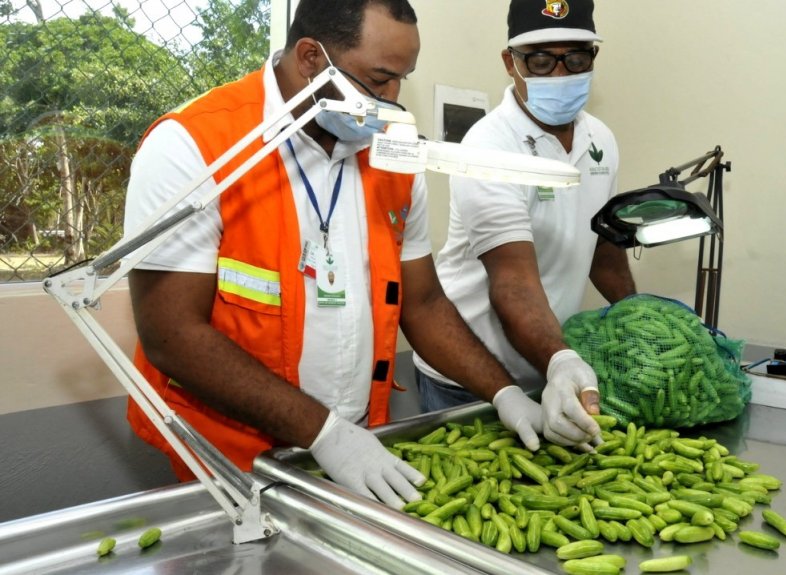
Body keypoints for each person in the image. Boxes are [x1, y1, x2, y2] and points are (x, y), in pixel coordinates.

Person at [122, 0, 532, 510]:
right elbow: (172, 335)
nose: (391, 100)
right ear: (311, 58)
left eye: (401, 79)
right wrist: (324, 432)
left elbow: (423, 304)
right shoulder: (195, 145)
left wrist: (505, 393)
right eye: (379, 80)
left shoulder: (391, 150)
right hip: (229, 459)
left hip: (357, 444)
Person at [413, 0, 636, 449]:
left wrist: (647, 320)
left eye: (576, 59)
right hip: (470, 376)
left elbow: (603, 251)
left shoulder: (601, 140)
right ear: (509, 62)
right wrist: (561, 359)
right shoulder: (489, 147)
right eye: (540, 61)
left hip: (549, 365)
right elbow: (513, 282)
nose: (560, 74)